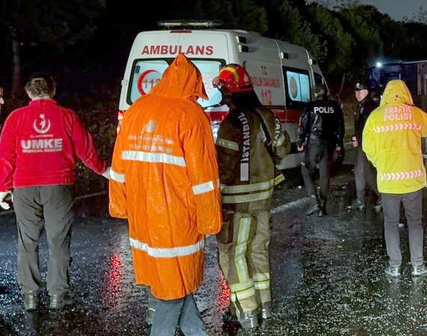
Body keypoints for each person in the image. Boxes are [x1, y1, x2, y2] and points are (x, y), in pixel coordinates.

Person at [109, 54, 222, 336]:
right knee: (172, 292)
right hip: (177, 220)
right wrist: (210, 221)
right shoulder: (191, 115)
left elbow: (119, 167)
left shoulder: (136, 110)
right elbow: (204, 179)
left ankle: (197, 333)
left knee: (174, 283)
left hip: (143, 219)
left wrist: (120, 205)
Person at [0, 73, 107, 311]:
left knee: (27, 242)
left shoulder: (15, 118)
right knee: (58, 241)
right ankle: (58, 296)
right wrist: (105, 170)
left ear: (28, 93)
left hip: (24, 188)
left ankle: (30, 296)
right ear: (53, 89)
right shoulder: (67, 116)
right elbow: (85, 149)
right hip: (59, 186)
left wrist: (3, 189)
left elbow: (6, 157)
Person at [213, 64, 290, 331]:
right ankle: (265, 305)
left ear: (229, 93)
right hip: (264, 199)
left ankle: (247, 312)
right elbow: (283, 147)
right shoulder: (266, 115)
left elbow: (223, 166)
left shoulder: (231, 123)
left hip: (237, 204)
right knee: (258, 249)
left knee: (233, 254)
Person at [362, 80, 427, 276]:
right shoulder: (416, 113)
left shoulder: (375, 117)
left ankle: (395, 266)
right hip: (413, 179)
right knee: (415, 222)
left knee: (391, 223)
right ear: (406, 94)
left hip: (388, 180)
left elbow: (367, 146)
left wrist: (380, 162)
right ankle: (418, 264)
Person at [297, 83, 344, 215]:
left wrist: (300, 141)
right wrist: (339, 142)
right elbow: (340, 125)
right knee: (325, 174)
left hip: (314, 143)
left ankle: (314, 202)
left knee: (306, 170)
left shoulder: (310, 106)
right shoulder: (335, 106)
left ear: (315, 93)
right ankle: (322, 205)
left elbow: (304, 125)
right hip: (329, 144)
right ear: (325, 93)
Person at [350, 82, 379, 210]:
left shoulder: (372, 107)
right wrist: (356, 137)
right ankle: (361, 199)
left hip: (370, 144)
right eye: (356, 92)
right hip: (363, 144)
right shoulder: (361, 106)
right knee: (361, 171)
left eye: (360, 91)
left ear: (367, 91)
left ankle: (381, 197)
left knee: (367, 173)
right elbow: (359, 126)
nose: (357, 94)